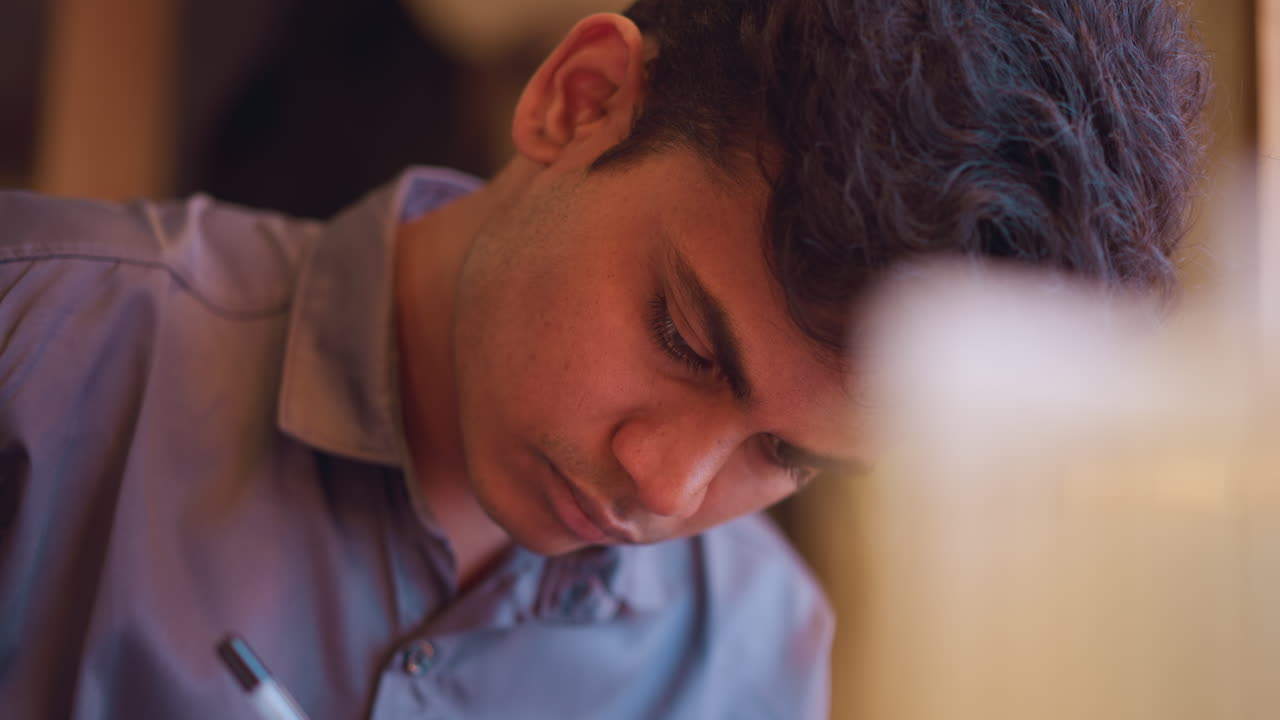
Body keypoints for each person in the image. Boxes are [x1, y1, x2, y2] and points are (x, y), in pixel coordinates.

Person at [0, 0, 1207, 718]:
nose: (666, 488)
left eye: (785, 455)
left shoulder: (751, 663)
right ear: (579, 102)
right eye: (683, 337)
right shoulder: (39, 354)